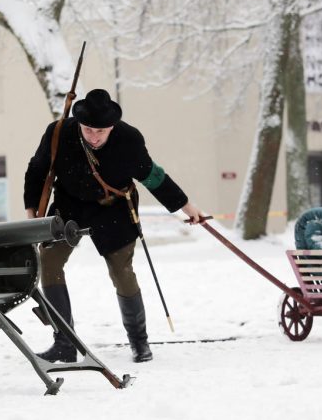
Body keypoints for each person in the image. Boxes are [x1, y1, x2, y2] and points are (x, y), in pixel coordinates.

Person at [24, 88, 205, 363]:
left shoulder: (128, 139)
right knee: (49, 261)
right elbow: (37, 170)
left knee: (122, 271)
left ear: (111, 126)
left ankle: (139, 342)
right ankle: (65, 342)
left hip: (114, 207)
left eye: (100, 131)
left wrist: (186, 205)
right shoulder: (59, 132)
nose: (93, 137)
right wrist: (31, 215)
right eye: (87, 129)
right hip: (69, 203)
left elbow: (152, 176)